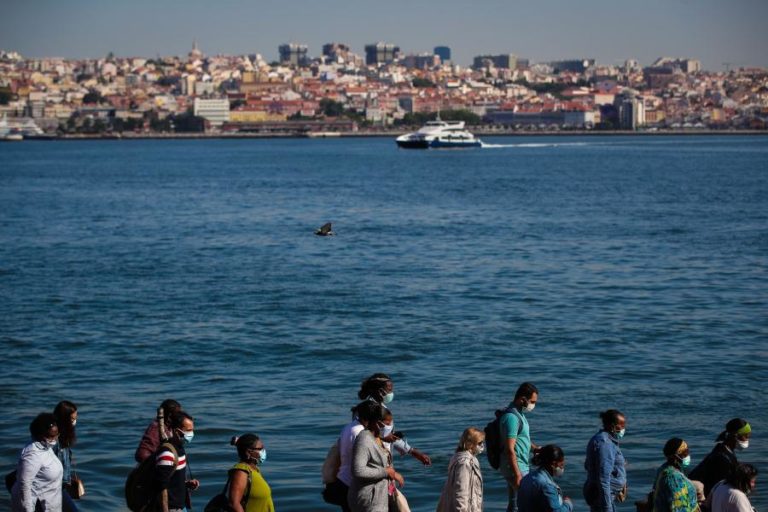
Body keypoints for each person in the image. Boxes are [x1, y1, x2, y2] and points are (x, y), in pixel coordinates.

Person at [358, 373, 431, 466]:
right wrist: (383, 438)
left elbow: (389, 437)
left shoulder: (382, 408)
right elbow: (361, 437)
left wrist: (412, 451)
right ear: (380, 391)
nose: (391, 393)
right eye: (389, 390)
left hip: (384, 461)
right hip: (373, 463)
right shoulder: (367, 409)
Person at [348, 400, 404, 512]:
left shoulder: (376, 438)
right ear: (378, 423)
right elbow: (358, 470)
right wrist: (386, 472)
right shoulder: (364, 439)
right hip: (369, 500)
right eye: (388, 424)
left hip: (378, 498)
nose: (390, 428)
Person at [499, 382, 539, 512]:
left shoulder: (519, 414)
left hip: (518, 465)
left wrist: (534, 448)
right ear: (522, 399)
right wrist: (517, 474)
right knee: (526, 505)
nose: (534, 405)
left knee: (514, 504)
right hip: (516, 467)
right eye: (532, 402)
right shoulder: (512, 418)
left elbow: (522, 439)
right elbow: (510, 449)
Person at [11, 412, 64, 512]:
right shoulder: (32, 454)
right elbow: (24, 485)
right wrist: (28, 510)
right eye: (52, 436)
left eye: (57, 434)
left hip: (52, 500)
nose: (55, 438)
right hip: (39, 505)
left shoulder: (46, 447)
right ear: (41, 436)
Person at [689, 418, 751, 497]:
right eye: (746, 436)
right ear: (735, 436)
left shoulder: (724, 449)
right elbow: (717, 488)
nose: (747, 440)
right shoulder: (722, 458)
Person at [152, 411, 200, 512]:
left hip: (181, 506)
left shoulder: (180, 448)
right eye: (189, 430)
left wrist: (186, 484)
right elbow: (161, 487)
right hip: (171, 508)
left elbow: (172, 480)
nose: (191, 434)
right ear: (177, 432)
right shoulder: (167, 454)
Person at [583, 409, 627, 512]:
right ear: (612, 425)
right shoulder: (605, 443)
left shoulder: (606, 439)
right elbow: (603, 479)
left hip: (608, 496)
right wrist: (607, 507)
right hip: (603, 500)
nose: (624, 428)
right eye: (622, 425)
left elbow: (588, 465)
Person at [436, 427, 485, 512]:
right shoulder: (464, 463)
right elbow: (461, 492)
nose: (482, 445)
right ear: (471, 444)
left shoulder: (465, 458)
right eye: (480, 443)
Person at [224, 434, 274, 512]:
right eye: (260, 449)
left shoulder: (254, 470)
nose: (263, 451)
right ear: (249, 452)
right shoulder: (241, 471)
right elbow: (234, 504)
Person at [518, 444, 573, 512]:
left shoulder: (526, 478)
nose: (562, 468)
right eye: (561, 465)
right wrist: (568, 504)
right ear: (553, 464)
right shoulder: (547, 486)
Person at [650, 437, 699, 512]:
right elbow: (679, 507)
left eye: (688, 452)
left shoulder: (664, 468)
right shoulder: (674, 479)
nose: (688, 456)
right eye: (685, 453)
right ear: (675, 456)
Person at [53, 400, 80, 512]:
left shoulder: (64, 437)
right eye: (72, 419)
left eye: (76, 418)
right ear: (64, 419)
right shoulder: (53, 441)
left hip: (61, 487)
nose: (75, 422)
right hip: (54, 488)